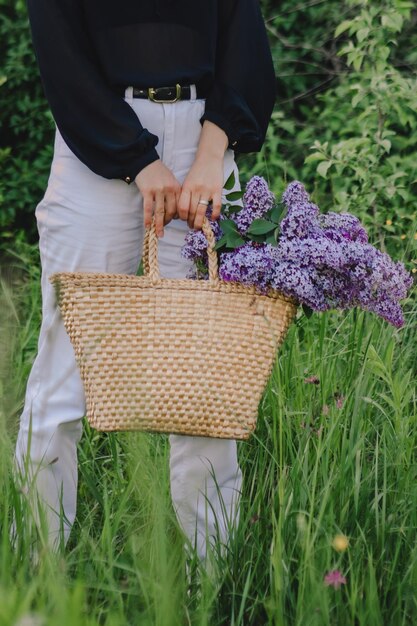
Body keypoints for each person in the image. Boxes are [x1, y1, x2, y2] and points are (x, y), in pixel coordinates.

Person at [14, 0, 277, 563]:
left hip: (205, 145)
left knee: (207, 385)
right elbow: (62, 60)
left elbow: (244, 37)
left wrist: (213, 150)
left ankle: (209, 582)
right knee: (64, 374)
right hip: (96, 156)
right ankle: (35, 574)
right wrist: (138, 160)